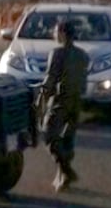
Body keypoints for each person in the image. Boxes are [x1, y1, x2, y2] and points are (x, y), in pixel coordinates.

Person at [38, 20, 89, 192]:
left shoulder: (57, 53)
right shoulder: (83, 55)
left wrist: (41, 97)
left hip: (60, 101)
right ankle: (62, 176)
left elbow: (50, 78)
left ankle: (67, 170)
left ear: (62, 33)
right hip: (76, 101)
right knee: (67, 139)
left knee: (49, 135)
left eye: (55, 32)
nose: (53, 35)